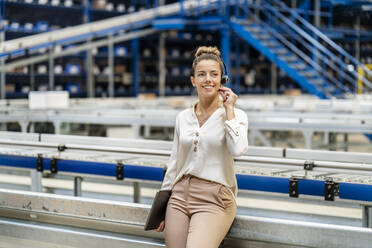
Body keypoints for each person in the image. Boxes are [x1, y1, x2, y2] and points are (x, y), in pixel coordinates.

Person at [156, 46, 249, 248]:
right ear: (193, 80)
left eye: (214, 74)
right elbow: (174, 162)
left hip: (215, 198)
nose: (208, 79)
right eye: (202, 74)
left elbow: (238, 149)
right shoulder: (183, 117)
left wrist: (229, 109)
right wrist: (162, 205)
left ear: (222, 80)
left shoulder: (236, 115)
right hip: (179, 197)